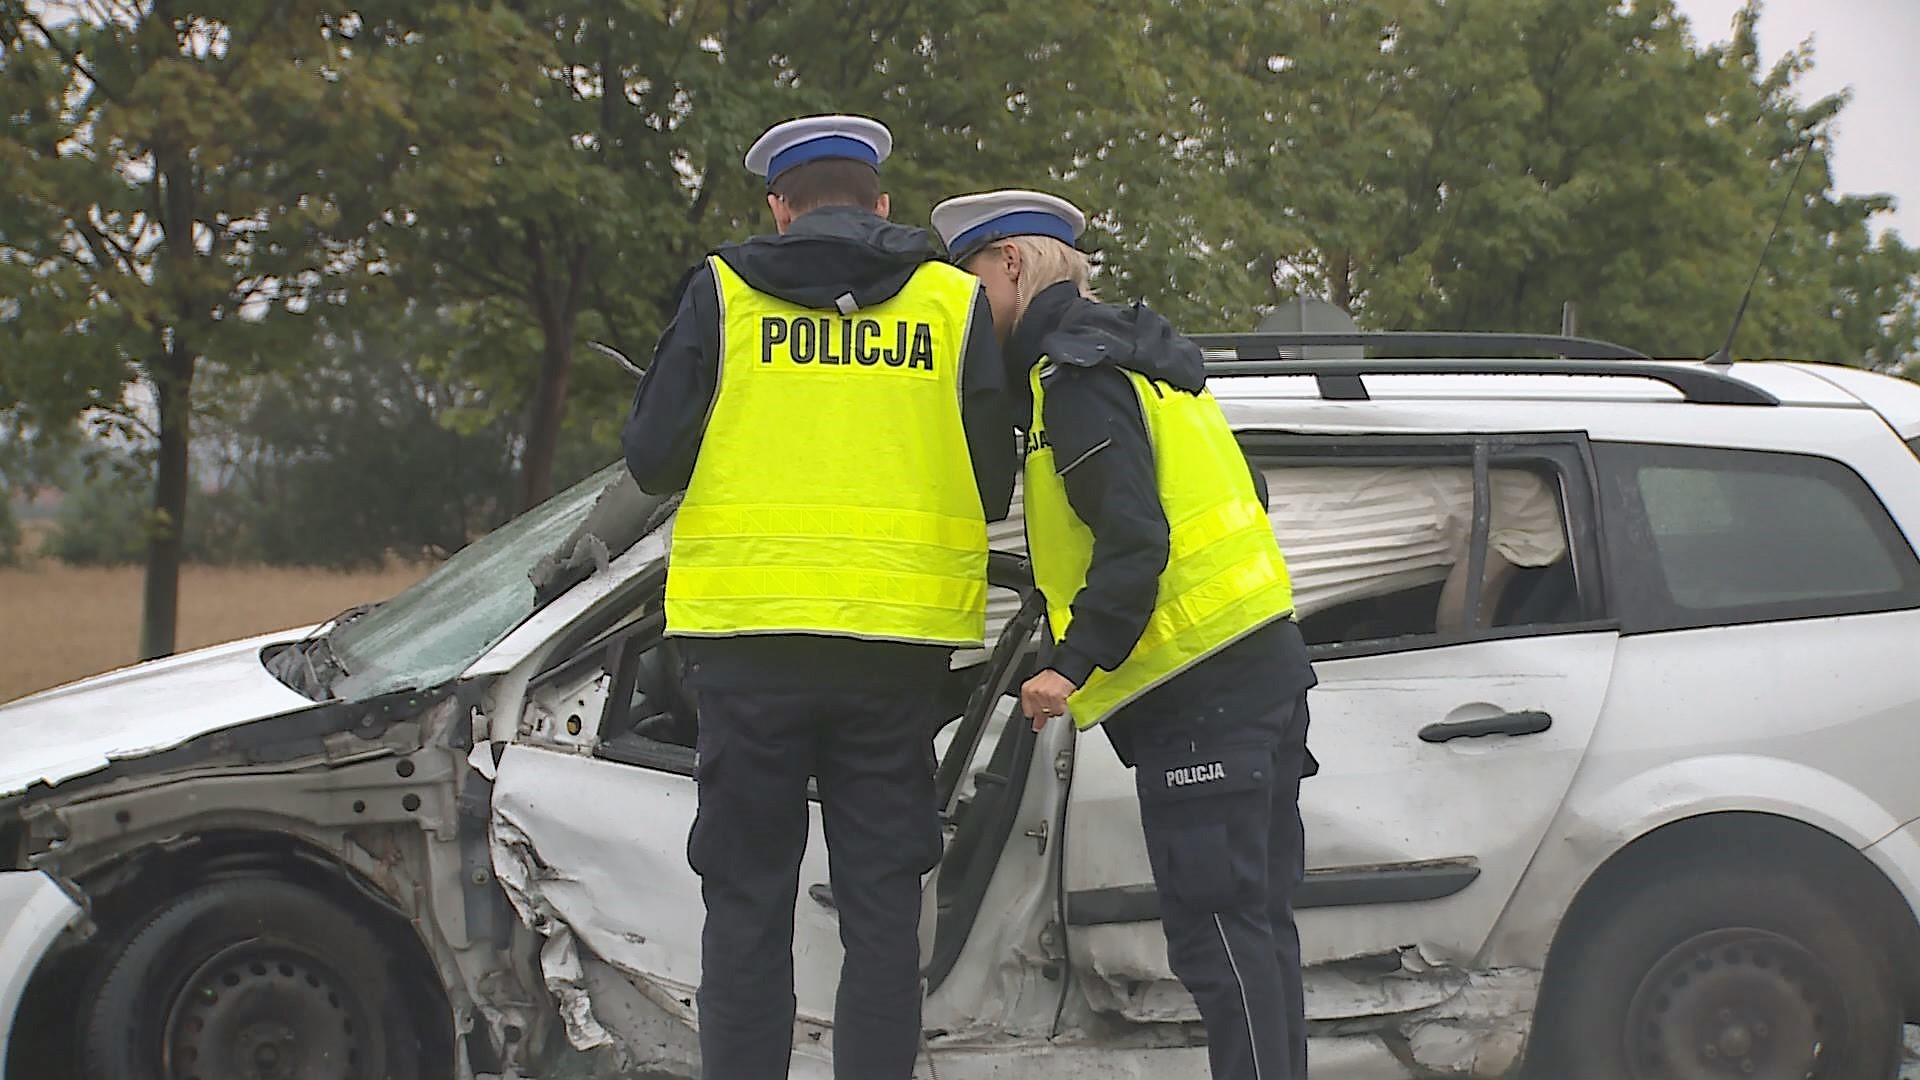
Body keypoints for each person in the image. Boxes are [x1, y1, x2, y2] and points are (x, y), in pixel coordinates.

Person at [622, 115, 1014, 1080]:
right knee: (884, 909)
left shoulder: (721, 293)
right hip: (896, 653)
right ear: (881, 204)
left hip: (751, 647)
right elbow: (993, 484)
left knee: (747, 899)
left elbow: (652, 457)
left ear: (780, 207)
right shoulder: (952, 303)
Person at [931, 189, 1319, 1080]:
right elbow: (1240, 496)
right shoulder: (1144, 361)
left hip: (1203, 695)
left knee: (1223, 947)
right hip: (1255, 672)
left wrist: (1070, 664)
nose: (962, 304)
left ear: (1013, 265)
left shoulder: (1077, 378)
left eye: (969, 278)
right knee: (1256, 938)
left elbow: (1135, 538)